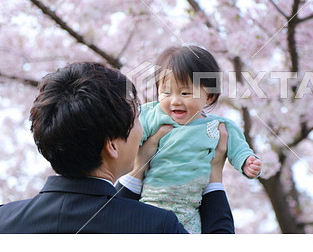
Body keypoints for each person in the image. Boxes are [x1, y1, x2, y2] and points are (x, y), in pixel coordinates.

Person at [0, 62, 234, 234]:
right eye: (136, 120)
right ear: (112, 145)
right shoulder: (158, 227)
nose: (142, 130)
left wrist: (139, 169)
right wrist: (214, 176)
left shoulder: (4, 219)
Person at [138, 45, 262, 233]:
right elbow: (130, 138)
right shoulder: (152, 115)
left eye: (185, 93)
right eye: (166, 92)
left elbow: (238, 148)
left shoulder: (218, 127)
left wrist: (246, 161)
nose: (175, 101)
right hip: (150, 201)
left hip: (190, 208)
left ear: (209, 96)